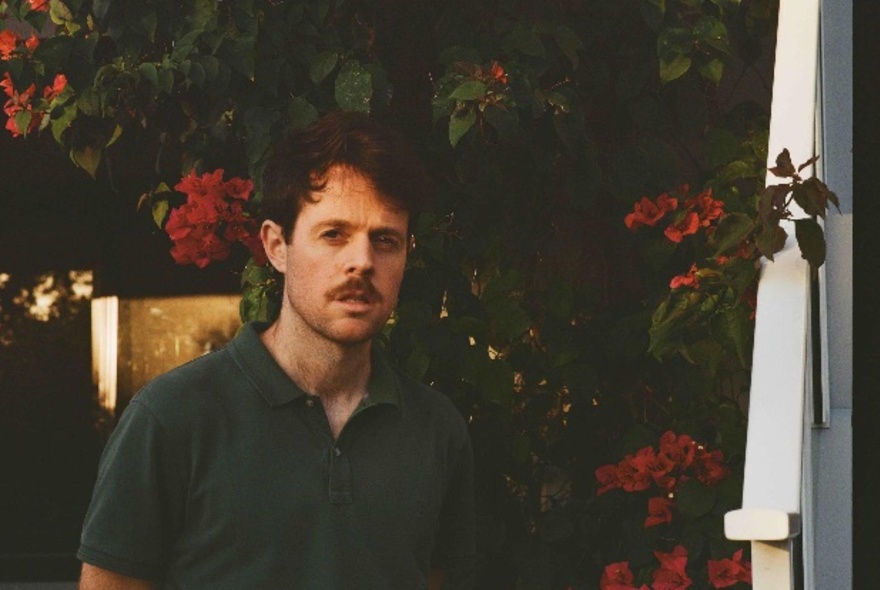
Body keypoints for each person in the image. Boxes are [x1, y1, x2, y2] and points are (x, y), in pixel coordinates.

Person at [77, 110, 476, 589]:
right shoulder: (172, 417)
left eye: (385, 240)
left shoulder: (436, 428)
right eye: (334, 234)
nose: (362, 262)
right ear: (276, 245)